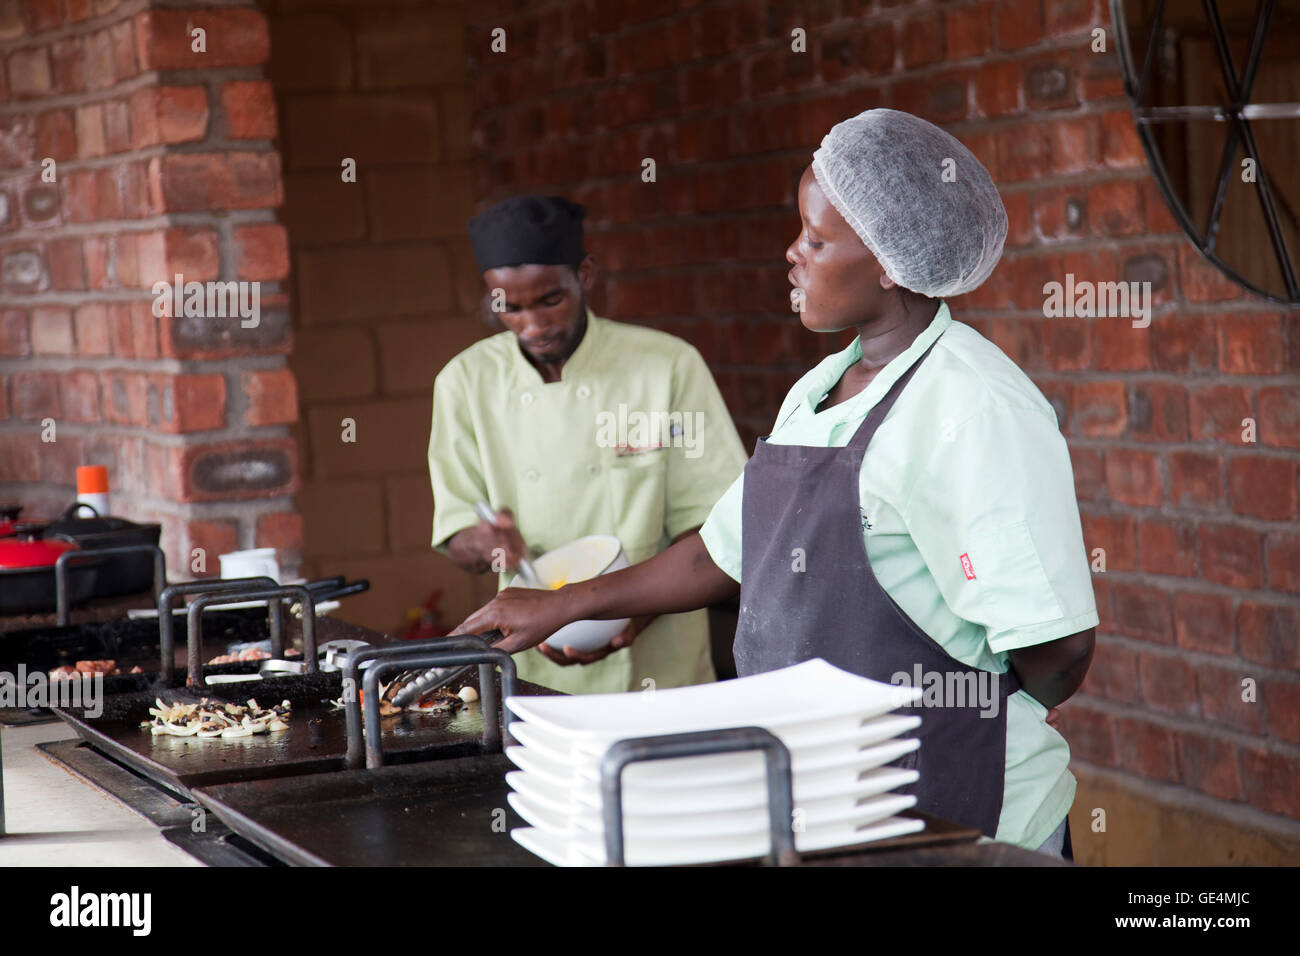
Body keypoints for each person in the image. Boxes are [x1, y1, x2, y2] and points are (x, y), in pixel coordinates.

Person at [454, 111, 1098, 855]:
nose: (792, 254)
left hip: (961, 807)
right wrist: (562, 606)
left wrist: (972, 715)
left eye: (816, 239)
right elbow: (720, 553)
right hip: (825, 804)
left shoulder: (971, 407)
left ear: (889, 261)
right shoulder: (823, 387)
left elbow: (1058, 651)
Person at [428, 194, 748, 695]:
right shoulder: (464, 383)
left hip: (661, 668)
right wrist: (487, 544)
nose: (533, 326)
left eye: (549, 299)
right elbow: (457, 531)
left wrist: (629, 619)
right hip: (534, 667)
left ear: (586, 275)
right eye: (510, 308)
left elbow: (720, 530)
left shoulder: (666, 366)